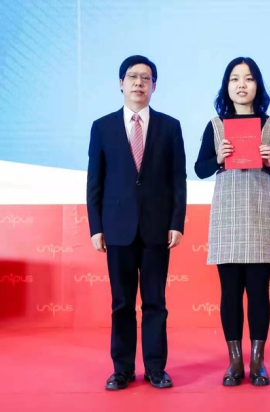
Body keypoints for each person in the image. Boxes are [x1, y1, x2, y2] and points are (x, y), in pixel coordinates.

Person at [86, 55, 187, 391]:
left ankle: (156, 369)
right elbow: (95, 181)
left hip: (157, 228)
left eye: (146, 78)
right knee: (122, 304)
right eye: (133, 77)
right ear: (121, 83)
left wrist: (177, 222)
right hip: (117, 228)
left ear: (154, 86)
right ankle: (122, 370)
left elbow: (178, 180)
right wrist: (96, 227)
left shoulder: (170, 127)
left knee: (156, 303)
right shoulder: (102, 127)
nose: (139, 83)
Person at [194, 57, 270, 387]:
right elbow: (200, 169)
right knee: (230, 292)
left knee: (260, 292)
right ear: (227, 86)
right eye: (235, 79)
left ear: (257, 85)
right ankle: (235, 361)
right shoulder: (215, 126)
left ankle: (258, 361)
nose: (241, 85)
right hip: (227, 217)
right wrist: (218, 157)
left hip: (260, 215)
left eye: (248, 79)